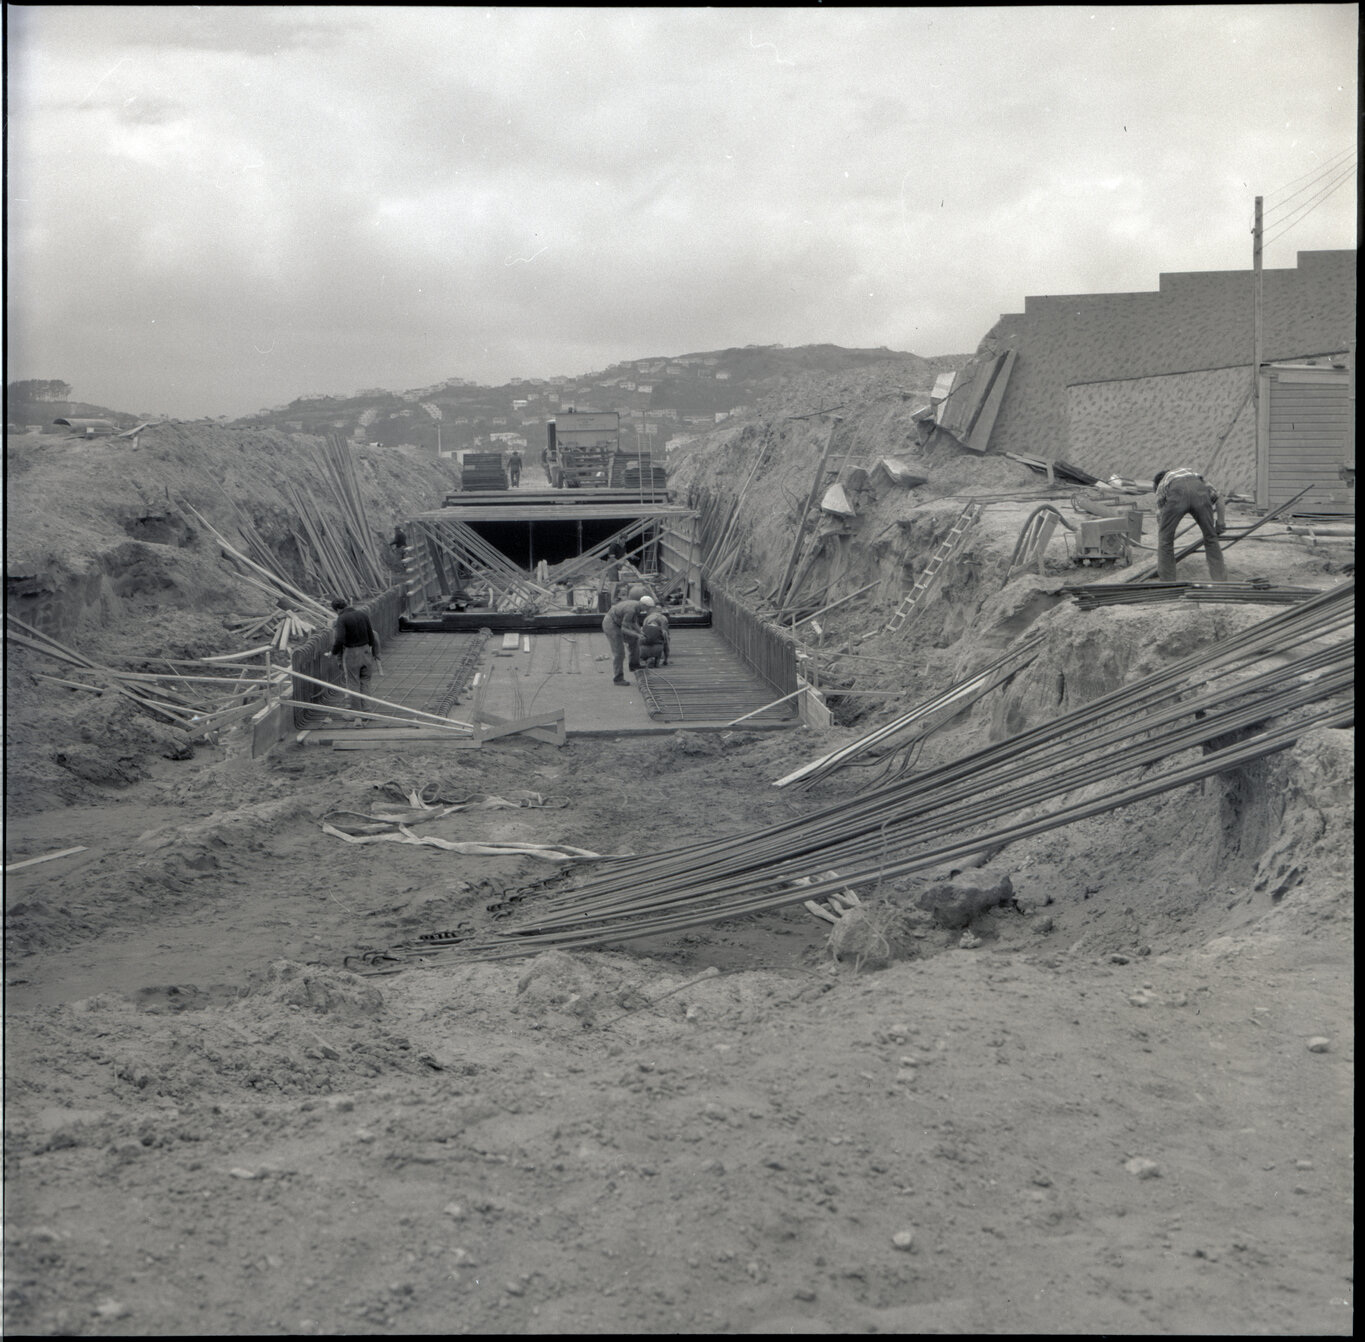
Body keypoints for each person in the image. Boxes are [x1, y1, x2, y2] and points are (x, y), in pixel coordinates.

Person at [1153, 469, 1227, 582]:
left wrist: (1164, 533)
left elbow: (1160, 515)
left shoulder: (1162, 484)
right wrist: (1221, 522)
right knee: (1211, 538)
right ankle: (1221, 582)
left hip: (1176, 492)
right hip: (1197, 488)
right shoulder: (1193, 474)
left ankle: (1167, 583)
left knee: (1165, 542)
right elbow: (1219, 498)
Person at [328, 596, 381, 718]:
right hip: (366, 651)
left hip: (352, 653)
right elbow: (371, 635)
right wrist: (374, 653)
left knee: (353, 682)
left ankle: (356, 714)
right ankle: (367, 710)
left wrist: (333, 652)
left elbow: (340, 639)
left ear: (337, 609)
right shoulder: (362, 614)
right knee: (365, 681)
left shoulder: (342, 618)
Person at [602, 593, 654, 684]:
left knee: (633, 641)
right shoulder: (631, 610)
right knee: (619, 652)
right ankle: (618, 678)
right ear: (643, 605)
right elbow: (624, 629)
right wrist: (637, 635)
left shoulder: (636, 605)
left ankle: (634, 665)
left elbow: (633, 622)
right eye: (648, 608)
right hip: (611, 624)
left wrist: (640, 631)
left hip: (618, 622)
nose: (648, 610)